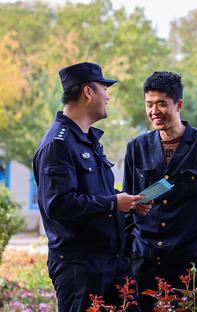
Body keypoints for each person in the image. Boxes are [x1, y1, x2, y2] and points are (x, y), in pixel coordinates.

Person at [33, 62, 150, 311]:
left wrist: (125, 201)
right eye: (104, 88)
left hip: (112, 264)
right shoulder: (58, 145)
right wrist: (113, 203)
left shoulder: (88, 140)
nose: (107, 95)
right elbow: (59, 204)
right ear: (88, 92)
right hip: (81, 270)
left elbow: (95, 195)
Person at [123, 71, 197, 311]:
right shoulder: (136, 147)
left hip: (187, 261)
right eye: (149, 105)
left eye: (162, 104)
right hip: (144, 261)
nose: (154, 112)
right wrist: (127, 253)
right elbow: (127, 205)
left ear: (178, 104)